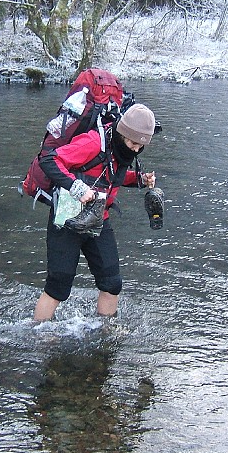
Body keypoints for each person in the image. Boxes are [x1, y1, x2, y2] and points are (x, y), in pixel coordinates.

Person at [33, 103, 157, 322]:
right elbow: (49, 160)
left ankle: (105, 334)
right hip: (67, 220)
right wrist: (76, 187)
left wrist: (138, 179)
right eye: (133, 143)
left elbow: (108, 176)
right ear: (122, 133)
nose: (135, 150)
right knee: (58, 286)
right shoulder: (92, 142)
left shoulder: (122, 150)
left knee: (112, 283)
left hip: (98, 219)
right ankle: (41, 337)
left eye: (141, 146)